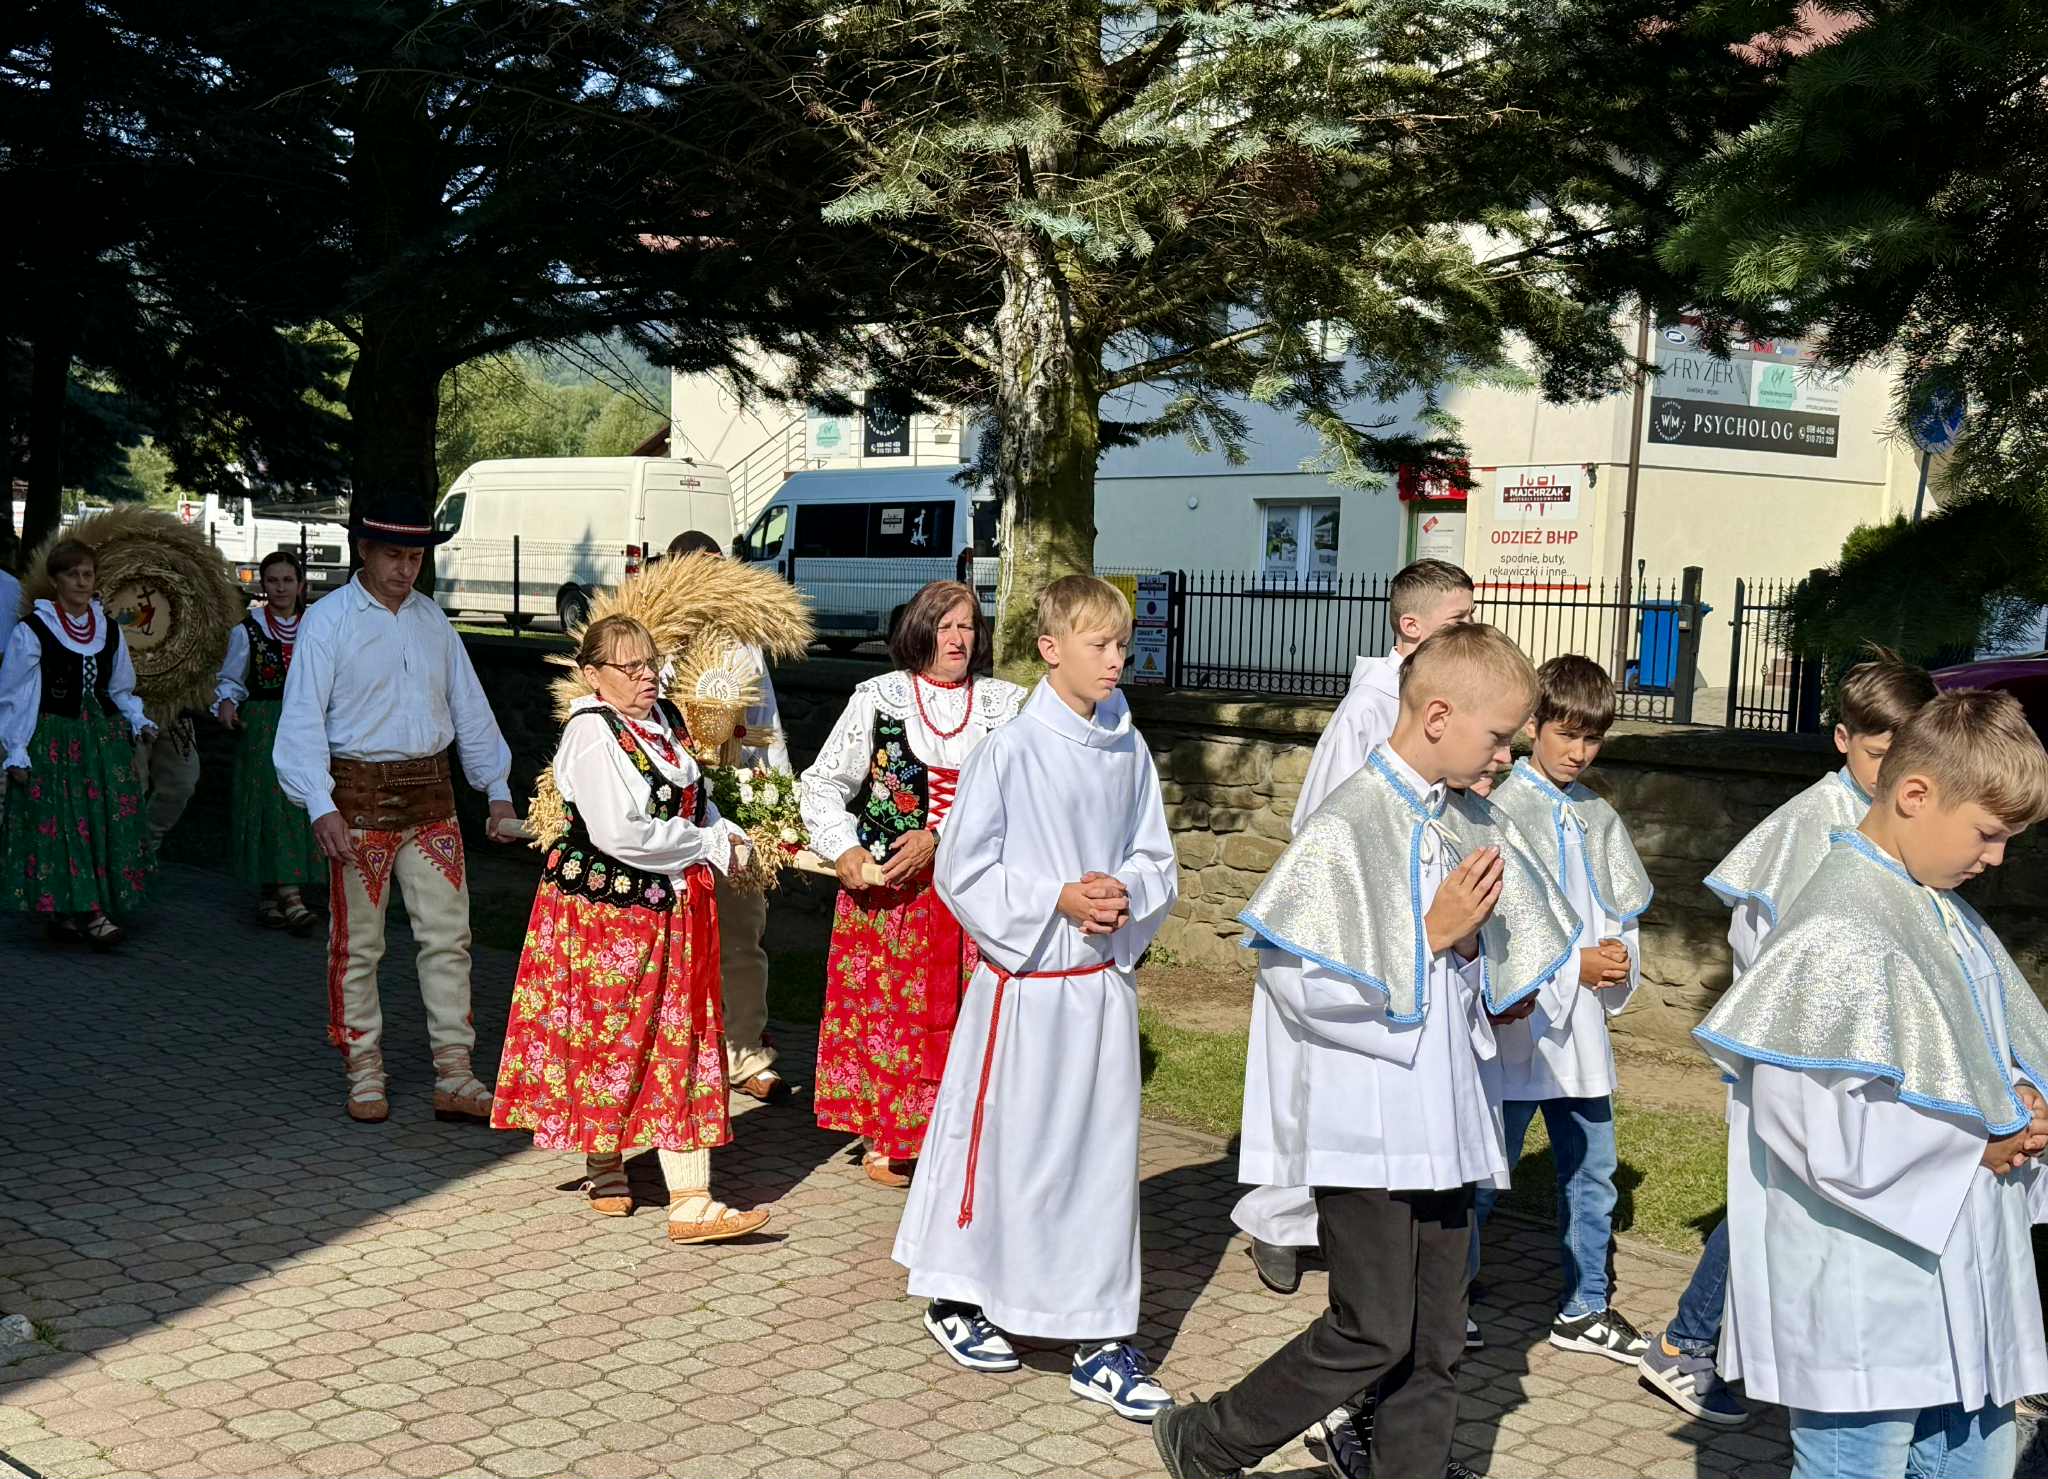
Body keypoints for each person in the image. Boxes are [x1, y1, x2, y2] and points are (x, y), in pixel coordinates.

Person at [1153, 623, 1577, 1479]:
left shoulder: (1463, 818)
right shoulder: (1349, 821)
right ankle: (1207, 1439)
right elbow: (1297, 981)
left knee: (1438, 1332)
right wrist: (1432, 935)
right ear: (1438, 716)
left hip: (1444, 1116)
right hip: (1368, 1125)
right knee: (1374, 1327)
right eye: (1498, 736)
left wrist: (1485, 968)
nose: (1505, 757)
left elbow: (1468, 962)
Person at [1693, 689, 2048, 1479]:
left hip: (1963, 1276)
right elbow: (1811, 1122)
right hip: (1863, 1286)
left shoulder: (1939, 908)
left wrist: (2022, 1095)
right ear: (1916, 794)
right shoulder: (1838, 924)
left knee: (1975, 1460)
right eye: (1989, 833)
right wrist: (1971, 1147)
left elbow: (1983, 1047)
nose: (1997, 859)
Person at [895, 575, 1178, 1422]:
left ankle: (1098, 1337)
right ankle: (964, 1294)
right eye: (1100, 645)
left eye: (1123, 644)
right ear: (1051, 648)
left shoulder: (1129, 747)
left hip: (1100, 989)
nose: (1117, 660)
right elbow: (962, 867)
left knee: (1100, 1165)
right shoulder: (1011, 749)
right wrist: (1057, 897)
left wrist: (1126, 890)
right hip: (1026, 991)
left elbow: (1155, 856)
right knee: (1012, 1153)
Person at [1638, 649, 1938, 1424]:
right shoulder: (1810, 825)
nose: (1893, 770)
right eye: (1879, 751)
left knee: (1802, 1207)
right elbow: (1763, 945)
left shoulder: (1896, 823)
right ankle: (1685, 1341)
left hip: (1845, 1062)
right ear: (1843, 738)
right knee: (1770, 1201)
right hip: (1791, 1060)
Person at [1237, 557, 1476, 1296]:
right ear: (1412, 625)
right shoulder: (1370, 709)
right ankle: (1281, 1221)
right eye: (1459, 621)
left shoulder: (1437, 703)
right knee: (1313, 1084)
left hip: (1413, 921)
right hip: (1346, 925)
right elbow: (1327, 827)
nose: (1471, 631)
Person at [491, 614, 772, 1243]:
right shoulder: (592, 733)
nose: (648, 676)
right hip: (605, 919)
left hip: (669, 908)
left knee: (681, 1036)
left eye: (651, 663)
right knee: (609, 1038)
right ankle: (604, 1160)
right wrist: (704, 845)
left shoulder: (666, 721)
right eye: (631, 667)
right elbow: (620, 833)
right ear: (594, 676)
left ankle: (692, 1199)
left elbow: (695, 800)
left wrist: (724, 830)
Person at [274, 491, 517, 1124]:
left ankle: (455, 1073)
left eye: (414, 557)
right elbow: (300, 720)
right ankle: (363, 1069)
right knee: (359, 945)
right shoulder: (327, 621)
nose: (405, 569)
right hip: (356, 802)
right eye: (393, 555)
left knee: (449, 940)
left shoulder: (432, 620)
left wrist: (495, 789)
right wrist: (318, 803)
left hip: (432, 799)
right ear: (364, 550)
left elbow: (469, 706)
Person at [799, 580, 1026, 1183]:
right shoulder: (879, 699)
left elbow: (1020, 798)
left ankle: (961, 1136)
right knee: (892, 1016)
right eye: (944, 626)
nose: (957, 638)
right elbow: (822, 783)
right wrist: (843, 845)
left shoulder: (1007, 707)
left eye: (967, 626)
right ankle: (889, 1135)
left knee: (972, 1013)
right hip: (890, 900)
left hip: (973, 896)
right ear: (919, 631)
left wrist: (940, 837)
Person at [1475, 655, 1651, 1364]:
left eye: (1592, 738)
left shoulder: (1598, 815)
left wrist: (1619, 958)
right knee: (1487, 1168)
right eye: (1567, 734)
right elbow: (1499, 926)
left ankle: (1585, 1306)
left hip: (1579, 1033)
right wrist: (1570, 967)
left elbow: (1620, 913)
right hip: (1525, 1027)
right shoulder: (1499, 811)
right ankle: (1447, 1298)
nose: (1579, 752)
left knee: (1592, 1169)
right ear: (1533, 726)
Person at [665, 528, 796, 1106]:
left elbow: (767, 723)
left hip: (734, 798)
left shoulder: (745, 642)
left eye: (715, 572)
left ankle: (744, 1053)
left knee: (742, 933)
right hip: (666, 806)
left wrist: (781, 802)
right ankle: (677, 1056)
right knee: (670, 940)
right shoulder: (650, 640)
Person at [0, 538, 157, 947]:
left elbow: (120, 687)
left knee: (99, 820)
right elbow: (15, 694)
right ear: (56, 580)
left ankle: (73, 912)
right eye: (73, 574)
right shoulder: (34, 630)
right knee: (65, 823)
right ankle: (87, 912)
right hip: (54, 737)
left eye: (88, 574)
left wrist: (138, 719)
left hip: (101, 739)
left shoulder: (107, 628)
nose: (83, 582)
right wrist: (16, 749)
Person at [214, 550, 322, 932]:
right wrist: (228, 702)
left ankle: (270, 895)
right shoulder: (246, 631)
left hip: (307, 724)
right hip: (264, 726)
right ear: (263, 584)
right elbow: (232, 678)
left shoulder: (316, 627)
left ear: (300, 585)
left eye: (287, 580)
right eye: (273, 581)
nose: (280, 588)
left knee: (300, 804)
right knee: (270, 805)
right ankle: (291, 897)